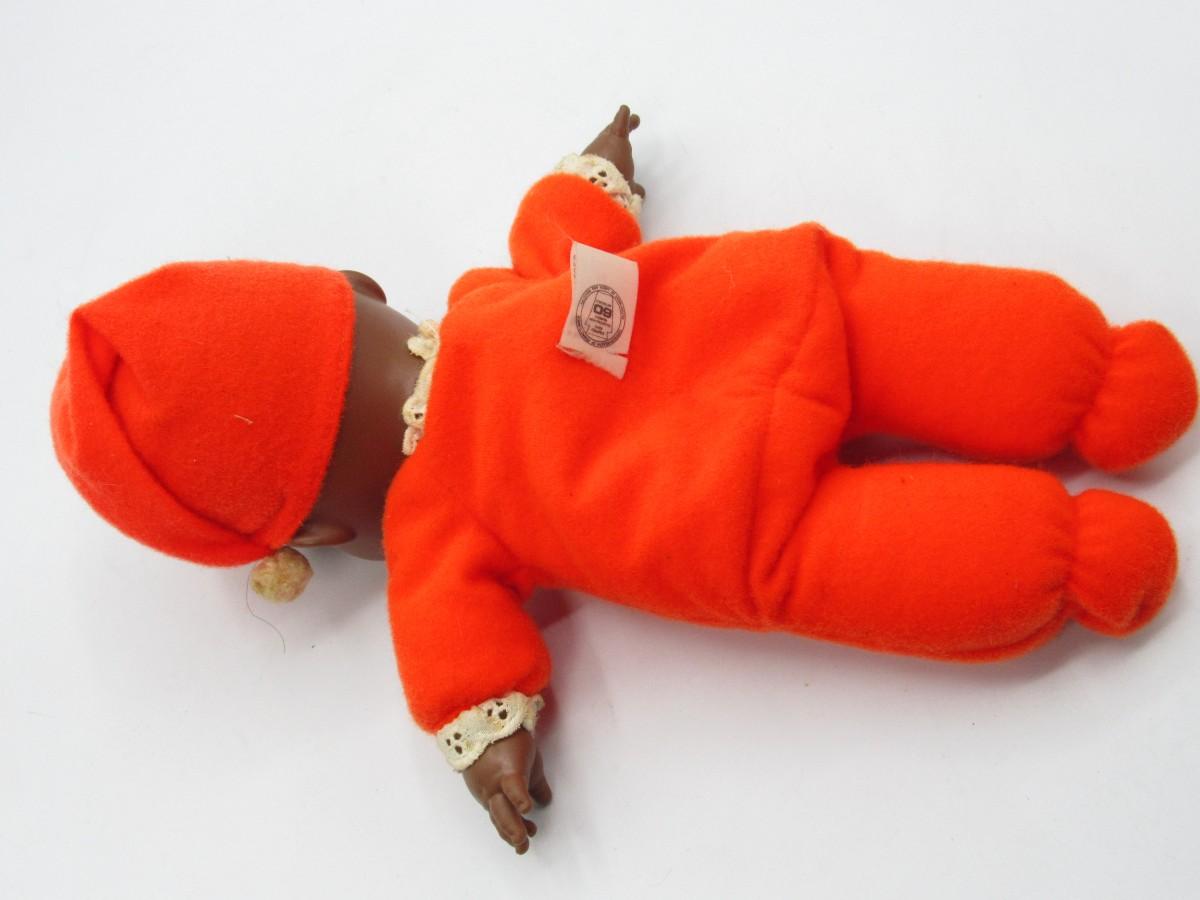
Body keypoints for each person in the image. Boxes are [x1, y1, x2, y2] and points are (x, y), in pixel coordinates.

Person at [51, 106, 1197, 855]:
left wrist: (493, 755)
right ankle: (1097, 380)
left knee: (873, 558)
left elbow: (457, 659)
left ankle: (1069, 561)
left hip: (730, 518)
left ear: (313, 543)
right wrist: (599, 163)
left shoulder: (433, 529)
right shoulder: (492, 296)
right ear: (359, 291)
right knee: (908, 323)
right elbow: (561, 231)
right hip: (771, 311)